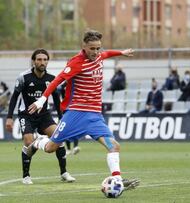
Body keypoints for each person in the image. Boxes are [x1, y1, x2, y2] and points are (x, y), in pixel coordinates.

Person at [26, 30, 139, 190]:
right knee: (51, 148)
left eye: (98, 48)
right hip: (75, 114)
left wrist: (121, 52)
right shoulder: (76, 62)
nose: (96, 52)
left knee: (114, 146)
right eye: (92, 48)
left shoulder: (99, 55)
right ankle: (38, 141)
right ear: (84, 47)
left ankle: (117, 181)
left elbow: (107, 54)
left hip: (95, 116)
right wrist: (42, 99)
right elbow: (58, 80)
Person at [5, 48, 75, 184]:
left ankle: (64, 173)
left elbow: (56, 100)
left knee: (58, 137)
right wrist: (9, 117)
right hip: (27, 115)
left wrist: (62, 119)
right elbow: (14, 98)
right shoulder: (23, 77)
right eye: (39, 59)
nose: (42, 62)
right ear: (33, 61)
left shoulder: (52, 79)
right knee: (28, 141)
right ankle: (26, 176)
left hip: (44, 115)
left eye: (45, 60)